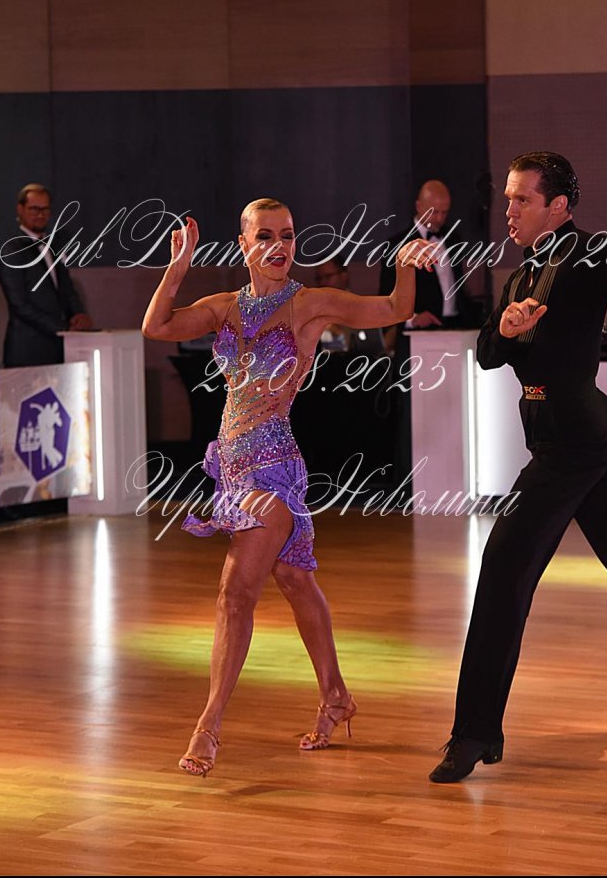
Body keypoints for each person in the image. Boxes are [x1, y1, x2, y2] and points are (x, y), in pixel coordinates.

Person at [142, 197, 432, 777]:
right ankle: (336, 697)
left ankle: (208, 727)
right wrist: (177, 268)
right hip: (231, 467)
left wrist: (404, 264)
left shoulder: (309, 303)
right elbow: (157, 326)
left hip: (273, 467)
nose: (280, 246)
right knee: (296, 580)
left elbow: (396, 308)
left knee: (234, 592)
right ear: (243, 244)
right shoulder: (223, 307)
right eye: (266, 236)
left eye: (289, 235)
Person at [429, 152, 607, 783]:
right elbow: (486, 354)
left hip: (574, 443)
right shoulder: (522, 272)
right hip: (561, 438)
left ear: (558, 206)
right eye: (507, 198)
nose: (509, 210)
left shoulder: (595, 251)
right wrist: (504, 329)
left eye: (522, 199)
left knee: (504, 563)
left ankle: (474, 732)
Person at [0, 184, 93, 366]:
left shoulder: (54, 247)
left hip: (60, 348)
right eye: (34, 209)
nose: (40, 215)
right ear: (20, 209)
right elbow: (19, 304)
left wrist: (79, 313)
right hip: (27, 349)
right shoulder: (11, 250)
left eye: (45, 209)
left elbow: (66, 288)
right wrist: (62, 327)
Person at [379, 179, 480, 346]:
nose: (439, 218)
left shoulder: (453, 238)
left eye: (444, 213)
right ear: (419, 206)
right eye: (434, 212)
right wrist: (413, 319)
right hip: (418, 333)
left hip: (455, 326)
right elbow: (387, 298)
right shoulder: (397, 245)